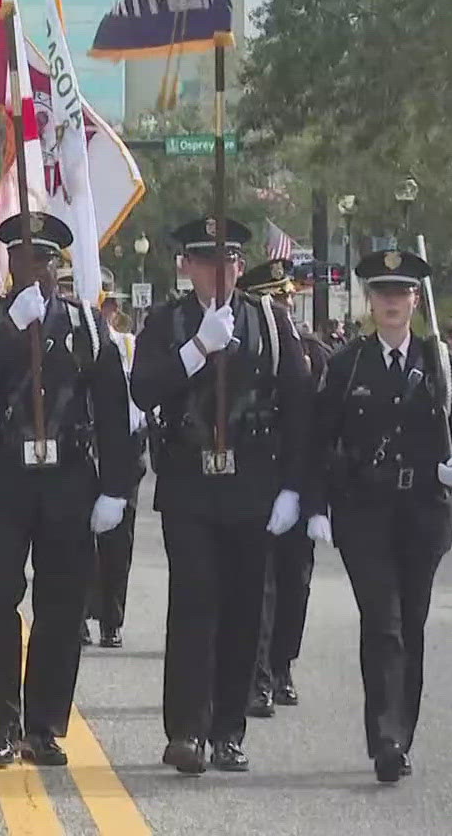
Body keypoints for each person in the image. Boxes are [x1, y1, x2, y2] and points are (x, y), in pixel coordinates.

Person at [132, 218, 312, 775]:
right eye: (206, 261)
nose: (220, 271)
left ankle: (228, 730)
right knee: (192, 604)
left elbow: (299, 409)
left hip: (251, 483)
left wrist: (293, 489)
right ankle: (185, 729)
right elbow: (142, 390)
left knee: (242, 609)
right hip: (188, 481)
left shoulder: (271, 324)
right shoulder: (166, 322)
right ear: (187, 266)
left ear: (239, 265)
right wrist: (194, 351)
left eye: (229, 260)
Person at [0, 212, 135, 767]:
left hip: (68, 481)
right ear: (9, 265)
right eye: (25, 260)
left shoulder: (85, 325)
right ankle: (4, 719)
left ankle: (45, 723)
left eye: (46, 260)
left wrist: (116, 488)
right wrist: (12, 327)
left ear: (59, 266)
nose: (36, 271)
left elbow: (111, 410)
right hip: (5, 479)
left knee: (60, 606)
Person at [305, 249, 452, 783]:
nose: (391, 304)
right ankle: (384, 738)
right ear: (369, 301)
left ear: (414, 301)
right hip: (365, 510)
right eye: (382, 294)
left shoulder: (440, 364)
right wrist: (316, 507)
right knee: (382, 623)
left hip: (423, 510)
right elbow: (318, 439)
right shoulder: (347, 363)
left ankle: (403, 733)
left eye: (401, 294)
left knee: (412, 625)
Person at [233, 257, 316, 719]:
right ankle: (257, 676)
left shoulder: (315, 350)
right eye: (275, 298)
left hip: (298, 479)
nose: (285, 305)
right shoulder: (251, 351)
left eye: (287, 298)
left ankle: (283, 664)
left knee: (295, 581)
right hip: (258, 476)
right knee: (259, 583)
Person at [86, 304, 143, 650]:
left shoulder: (127, 345)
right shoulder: (71, 336)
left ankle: (111, 619)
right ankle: (79, 615)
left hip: (124, 447)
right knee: (77, 542)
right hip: (82, 445)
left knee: (118, 542)